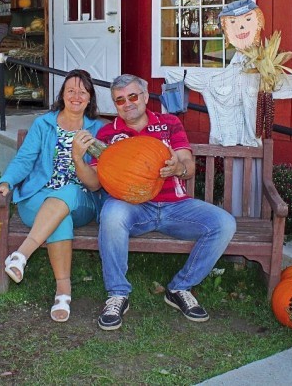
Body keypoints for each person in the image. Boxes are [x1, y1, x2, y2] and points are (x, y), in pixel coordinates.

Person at [92, 74, 237, 331]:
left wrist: (177, 168)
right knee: (111, 214)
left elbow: (189, 167)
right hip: (134, 207)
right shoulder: (107, 133)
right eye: (120, 100)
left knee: (224, 223)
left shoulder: (169, 124)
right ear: (115, 105)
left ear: (146, 97)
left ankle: (180, 287)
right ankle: (117, 293)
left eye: (133, 96)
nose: (128, 103)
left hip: (176, 206)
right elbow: (99, 179)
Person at [0, 69, 104, 323]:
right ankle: (63, 291)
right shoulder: (44, 124)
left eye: (82, 92)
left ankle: (21, 255)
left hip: (81, 200)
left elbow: (100, 176)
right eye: (71, 90)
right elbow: (24, 159)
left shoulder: (98, 129)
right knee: (58, 216)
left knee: (68, 192)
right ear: (62, 94)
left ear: (90, 98)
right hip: (38, 199)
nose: (76, 96)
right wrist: (6, 181)